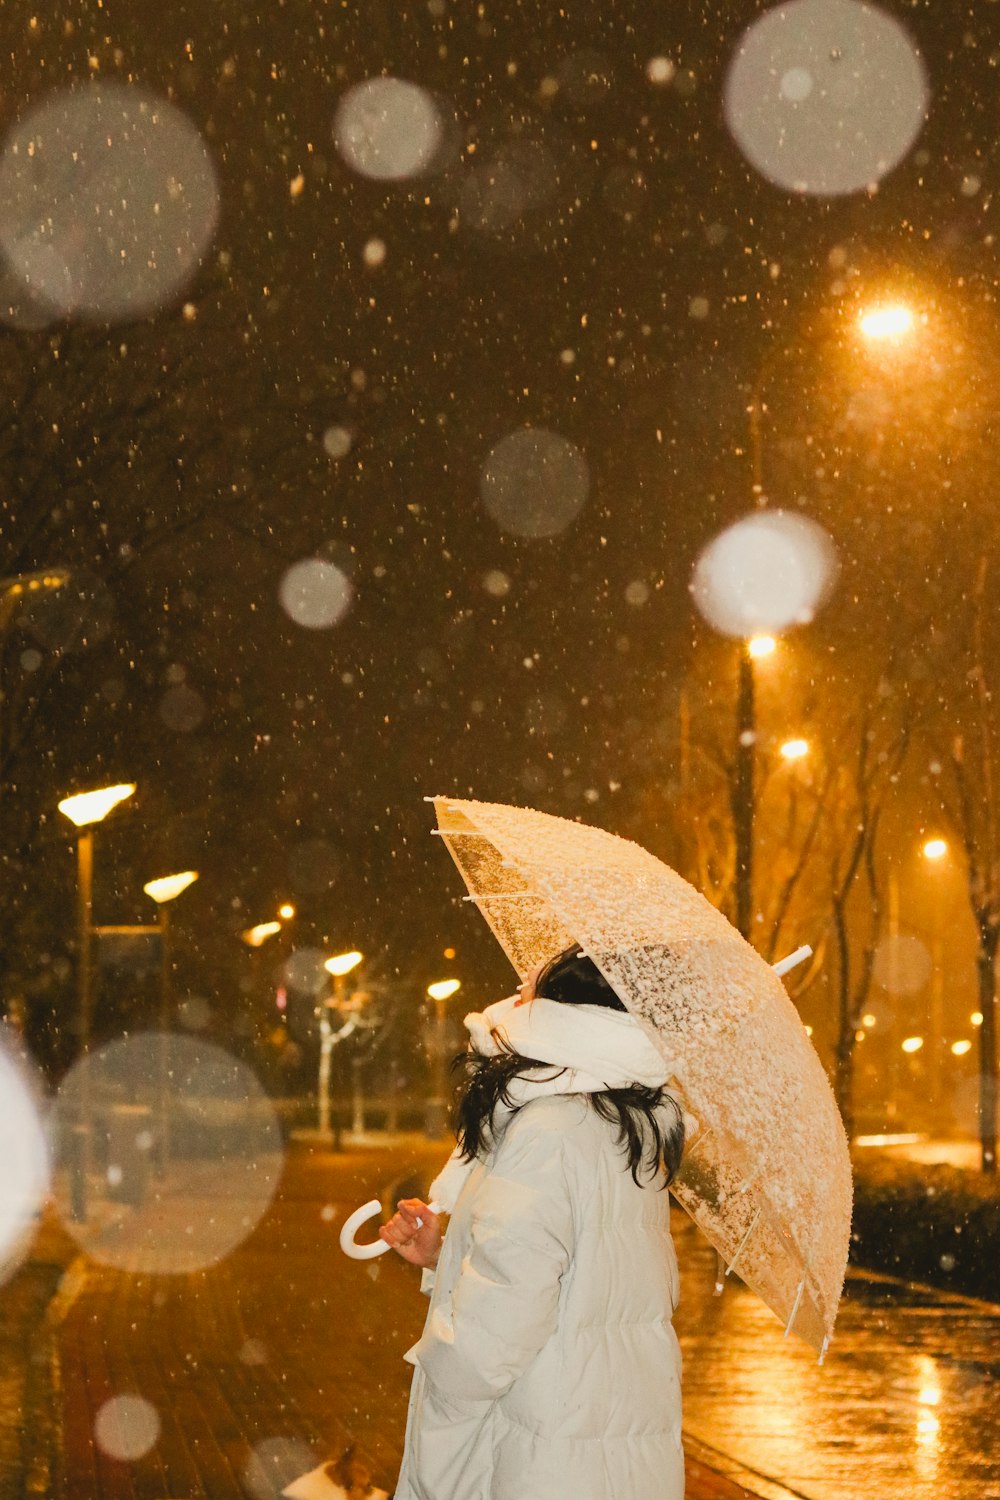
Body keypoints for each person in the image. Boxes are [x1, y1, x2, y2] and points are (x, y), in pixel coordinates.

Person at [381, 944, 686, 1500]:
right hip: (605, 1448)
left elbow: (499, 1325)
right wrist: (443, 1253)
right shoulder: (621, 1127)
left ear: (560, 1017)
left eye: (534, 987)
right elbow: (575, 1276)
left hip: (543, 1456)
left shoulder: (548, 1129)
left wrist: (440, 1383)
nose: (517, 991)